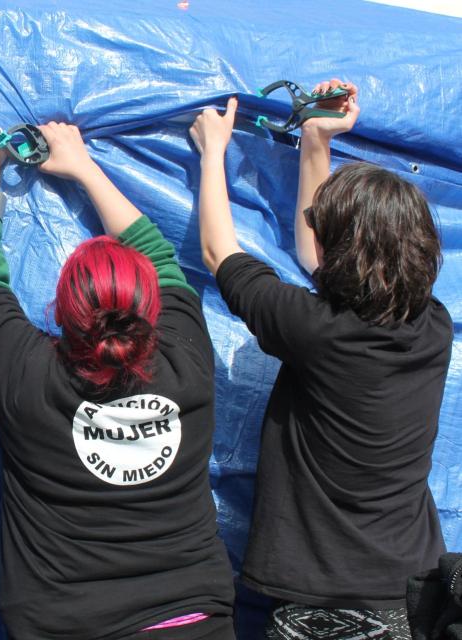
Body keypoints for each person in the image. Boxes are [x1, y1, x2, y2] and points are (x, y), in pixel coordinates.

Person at [0, 123, 235, 639]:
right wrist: (83, 165)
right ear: (151, 309)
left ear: (61, 310)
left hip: (65, 624)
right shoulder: (186, 360)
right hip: (194, 621)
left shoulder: (27, 375)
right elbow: (160, 256)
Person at [189, 80, 452, 639]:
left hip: (323, 598)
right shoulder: (432, 325)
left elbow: (219, 251)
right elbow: (322, 259)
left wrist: (214, 152)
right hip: (409, 588)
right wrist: (316, 141)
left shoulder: (315, 330)